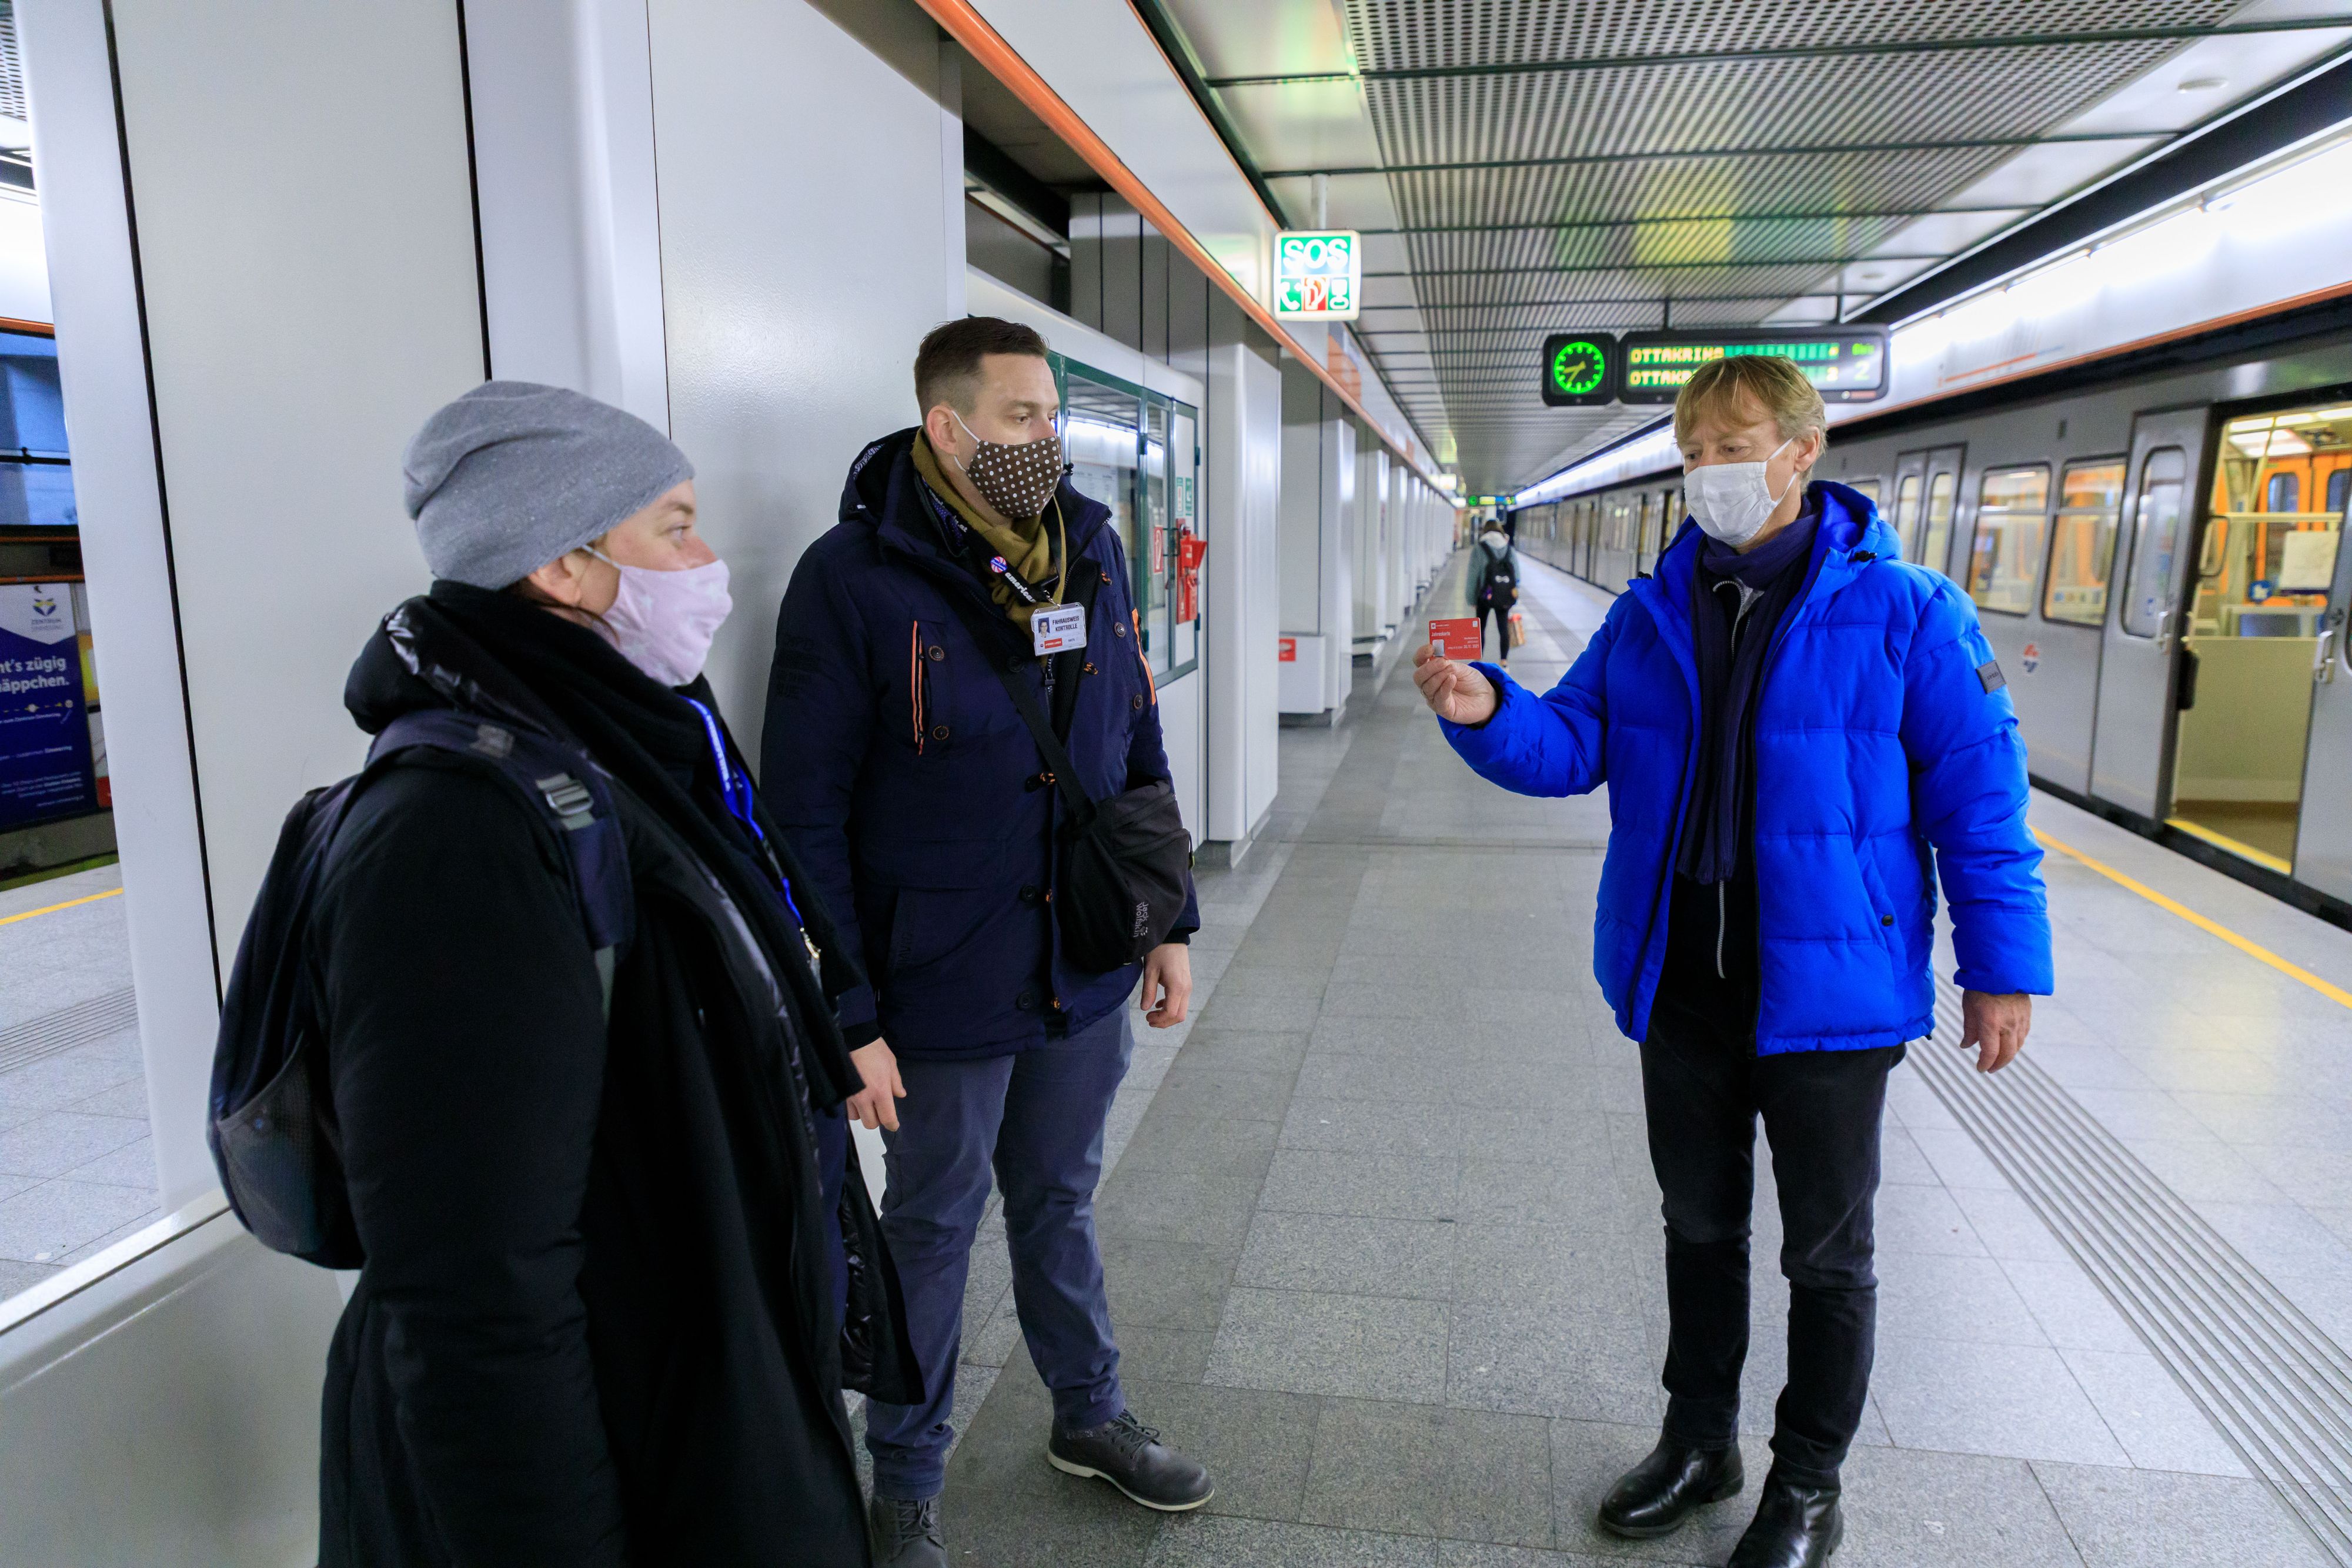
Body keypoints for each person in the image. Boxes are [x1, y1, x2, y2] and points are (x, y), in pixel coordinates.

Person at [1412, 355, 2050, 1568]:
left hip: (1831, 995)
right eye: (1691, 448)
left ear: (1801, 452)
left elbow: (1980, 806)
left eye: (1732, 441)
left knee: (1825, 1250)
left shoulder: (1912, 612)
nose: (1707, 467)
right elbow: (1572, 744)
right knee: (1696, 1224)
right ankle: (1698, 1438)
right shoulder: (1650, 610)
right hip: (1684, 985)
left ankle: (1806, 1481)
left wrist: (1998, 967)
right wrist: (1488, 710)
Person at [317, 381, 915, 1566]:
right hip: (606, 1449)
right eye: (674, 527)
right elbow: (474, 1286)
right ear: (564, 566)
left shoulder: (635, 744)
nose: (708, 563)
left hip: (688, 1379)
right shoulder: (459, 829)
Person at [763, 316, 1212, 1567]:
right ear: (944, 428)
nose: (1045, 442)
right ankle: (904, 1476)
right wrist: (849, 1012)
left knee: (1060, 1197)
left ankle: (1089, 1412)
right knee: (934, 1223)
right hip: (934, 983)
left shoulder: (1091, 550)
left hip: (1076, 958)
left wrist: (1167, 919)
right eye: (1019, 419)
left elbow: (1132, 743)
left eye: (1050, 418)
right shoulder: (850, 580)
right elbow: (801, 814)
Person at [1469, 520, 1519, 664]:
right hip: (1504, 595)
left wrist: (1472, 598)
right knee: (1503, 628)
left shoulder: (1479, 548)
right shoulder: (1509, 548)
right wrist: (1513, 593)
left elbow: (1473, 576)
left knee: (1480, 628)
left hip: (1484, 594)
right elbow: (1517, 575)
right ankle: (1504, 661)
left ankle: (1478, 659)